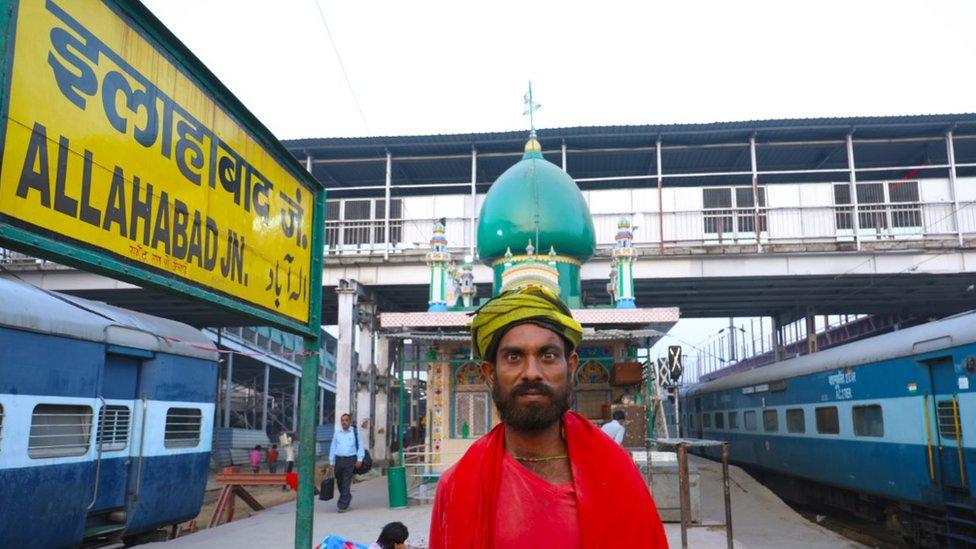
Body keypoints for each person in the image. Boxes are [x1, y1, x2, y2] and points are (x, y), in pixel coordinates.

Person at [429, 285, 668, 548]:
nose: (532, 372)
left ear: (572, 366)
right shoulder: (456, 488)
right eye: (513, 356)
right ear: (490, 374)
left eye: (548, 355)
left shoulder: (618, 475)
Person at [327, 413, 365, 513]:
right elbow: (333, 447)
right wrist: (331, 461)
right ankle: (347, 496)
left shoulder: (355, 432)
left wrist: (360, 459)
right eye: (342, 420)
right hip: (339, 460)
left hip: (350, 460)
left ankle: (342, 505)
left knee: (346, 481)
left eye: (346, 420)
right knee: (339, 481)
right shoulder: (337, 433)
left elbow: (361, 446)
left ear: (350, 421)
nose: (344, 422)